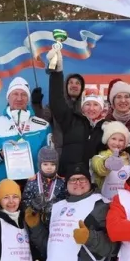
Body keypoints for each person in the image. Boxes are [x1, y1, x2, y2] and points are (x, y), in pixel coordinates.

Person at [0, 77, 53, 200]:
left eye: (23, 94)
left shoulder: (43, 125)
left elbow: (51, 159)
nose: (19, 98)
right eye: (15, 94)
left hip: (35, 194)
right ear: (8, 97)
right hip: (4, 195)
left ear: (28, 98)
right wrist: (0, 153)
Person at [47, 49, 108, 177]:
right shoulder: (71, 120)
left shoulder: (107, 127)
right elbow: (57, 101)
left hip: (96, 179)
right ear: (82, 106)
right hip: (70, 176)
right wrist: (57, 73)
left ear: (101, 108)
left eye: (96, 105)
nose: (91, 108)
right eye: (88, 104)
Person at [22, 146, 67, 261]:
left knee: (53, 260)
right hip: (37, 228)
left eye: (52, 164)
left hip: (55, 228)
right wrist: (34, 205)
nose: (49, 167)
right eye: (45, 164)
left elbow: (66, 201)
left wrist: (55, 205)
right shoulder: (32, 182)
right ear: (39, 164)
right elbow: (25, 201)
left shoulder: (62, 183)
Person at [90, 121, 130, 201]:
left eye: (121, 140)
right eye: (113, 139)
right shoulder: (99, 157)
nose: (117, 143)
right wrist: (106, 164)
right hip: (104, 201)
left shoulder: (128, 159)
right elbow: (99, 167)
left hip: (124, 200)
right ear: (107, 140)